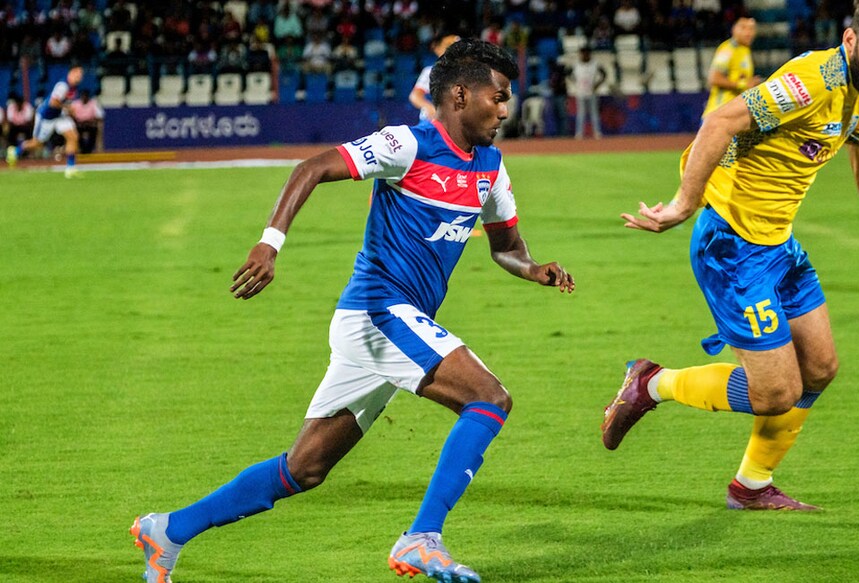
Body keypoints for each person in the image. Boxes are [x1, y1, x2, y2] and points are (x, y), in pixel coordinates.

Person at [129, 38, 575, 583]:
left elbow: (506, 247)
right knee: (489, 398)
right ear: (460, 95)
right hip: (378, 312)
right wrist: (270, 243)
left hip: (389, 327)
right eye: (498, 97)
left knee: (305, 468)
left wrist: (534, 269)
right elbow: (312, 167)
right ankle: (422, 538)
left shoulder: (491, 167)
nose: (505, 110)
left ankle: (168, 530)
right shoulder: (407, 144)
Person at [602, 0, 859, 511]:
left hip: (778, 244)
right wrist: (683, 204)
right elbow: (719, 122)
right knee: (775, 393)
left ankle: (751, 487)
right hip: (732, 245)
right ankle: (652, 382)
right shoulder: (812, 82)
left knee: (820, 369)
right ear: (850, 40)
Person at [7, 66, 83, 178]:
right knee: (37, 143)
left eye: (81, 74)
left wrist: (67, 109)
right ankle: (15, 151)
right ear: (71, 73)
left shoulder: (73, 87)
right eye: (77, 73)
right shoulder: (63, 85)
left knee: (73, 137)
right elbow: (53, 102)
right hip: (46, 117)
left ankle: (70, 168)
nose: (79, 76)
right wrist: (68, 108)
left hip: (59, 115)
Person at [704, 16, 761, 116]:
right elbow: (714, 78)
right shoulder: (728, 49)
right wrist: (743, 84)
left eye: (751, 28)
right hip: (719, 112)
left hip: (733, 112)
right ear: (734, 29)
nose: (748, 33)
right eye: (743, 28)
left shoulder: (745, 50)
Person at [410, 31, 460, 122]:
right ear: (437, 49)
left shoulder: (466, 74)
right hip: (431, 122)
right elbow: (415, 96)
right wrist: (429, 107)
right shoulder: (430, 72)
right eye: (448, 46)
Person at [570, 46, 606, 139]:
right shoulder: (576, 64)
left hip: (592, 92)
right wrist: (576, 83)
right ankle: (579, 133)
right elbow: (569, 74)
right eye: (582, 54)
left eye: (585, 53)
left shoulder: (595, 64)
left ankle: (597, 132)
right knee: (581, 113)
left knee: (594, 113)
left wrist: (597, 84)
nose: (583, 55)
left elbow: (604, 74)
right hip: (580, 92)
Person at [70, 89, 103, 154]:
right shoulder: (75, 104)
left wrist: (91, 121)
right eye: (83, 96)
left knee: (94, 131)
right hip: (78, 124)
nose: (84, 97)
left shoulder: (93, 103)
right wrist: (76, 121)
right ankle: (82, 149)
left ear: (88, 97)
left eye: (86, 96)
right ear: (81, 96)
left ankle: (88, 149)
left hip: (90, 124)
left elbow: (100, 116)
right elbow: (70, 115)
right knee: (77, 133)